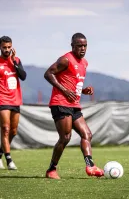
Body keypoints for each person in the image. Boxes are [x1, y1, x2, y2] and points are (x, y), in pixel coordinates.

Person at [44, 32, 104, 179]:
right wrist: (64, 90)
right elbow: (48, 74)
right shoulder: (65, 59)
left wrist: (83, 90)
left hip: (74, 104)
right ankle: (51, 170)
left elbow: (72, 83)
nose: (82, 49)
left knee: (87, 134)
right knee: (65, 138)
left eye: (85, 46)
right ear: (72, 46)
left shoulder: (85, 63)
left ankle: (90, 166)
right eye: (79, 46)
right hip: (60, 102)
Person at [0, 36, 27, 170]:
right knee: (5, 129)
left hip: (15, 100)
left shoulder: (16, 60)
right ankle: (9, 160)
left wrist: (14, 61)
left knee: (13, 132)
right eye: (4, 47)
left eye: (9, 47)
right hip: (2, 100)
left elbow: (23, 76)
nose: (7, 50)